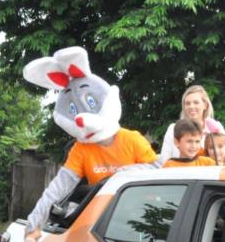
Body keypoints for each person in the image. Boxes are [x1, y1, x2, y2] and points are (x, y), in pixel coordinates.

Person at [23, 46, 158, 230]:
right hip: (106, 221)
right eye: (73, 111)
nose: (82, 120)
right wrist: (33, 226)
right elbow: (58, 187)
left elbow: (158, 168)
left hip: (141, 218)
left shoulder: (132, 139)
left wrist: (125, 173)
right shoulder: (81, 148)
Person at [159, 85, 225, 163]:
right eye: (187, 103)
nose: (191, 106)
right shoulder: (173, 129)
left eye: (196, 102)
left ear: (205, 105)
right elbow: (164, 161)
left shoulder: (215, 127)